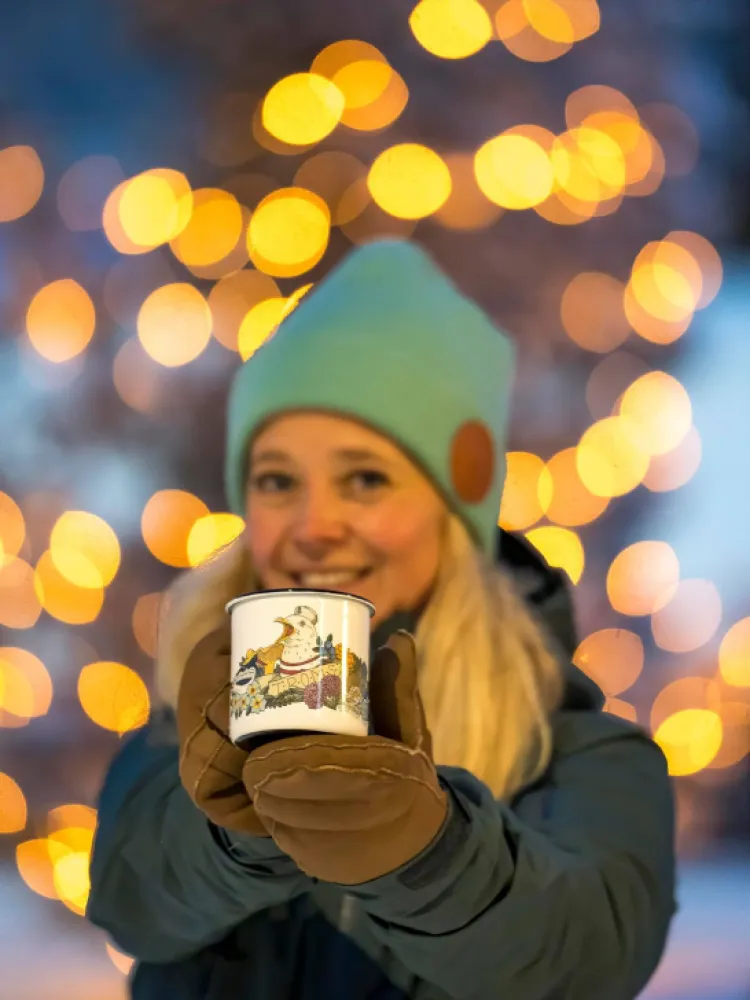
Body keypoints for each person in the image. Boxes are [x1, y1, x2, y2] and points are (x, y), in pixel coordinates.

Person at [87, 240, 677, 999]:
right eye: (276, 480)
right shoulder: (187, 723)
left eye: (365, 478)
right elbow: (130, 901)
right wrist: (234, 833)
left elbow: (586, 956)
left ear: (454, 506)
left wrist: (427, 853)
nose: (313, 524)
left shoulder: (581, 754)